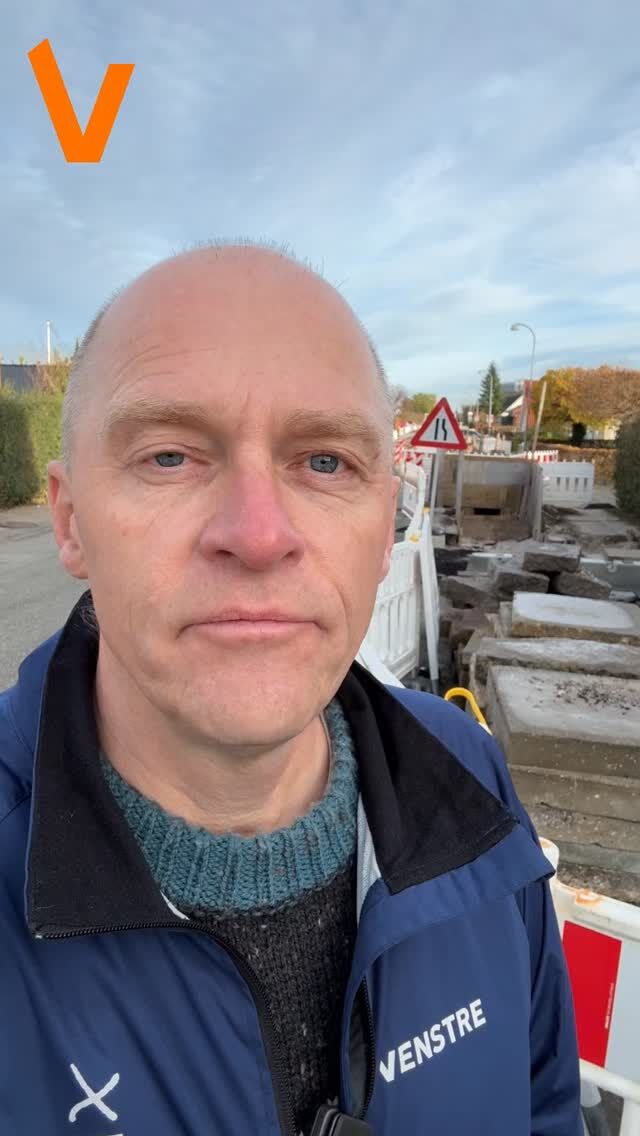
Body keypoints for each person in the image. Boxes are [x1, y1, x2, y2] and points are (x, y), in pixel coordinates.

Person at [0, 244, 581, 1135]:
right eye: (169, 456)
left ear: (384, 532)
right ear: (71, 521)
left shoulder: (464, 773)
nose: (259, 534)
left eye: (325, 463)